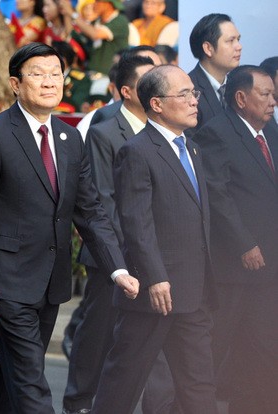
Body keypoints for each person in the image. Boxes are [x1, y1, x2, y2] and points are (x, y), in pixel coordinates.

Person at [0, 42, 138, 414]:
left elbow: (89, 210)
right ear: (15, 84)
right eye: (37, 74)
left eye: (55, 74)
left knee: (11, 374)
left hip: (51, 281)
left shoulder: (69, 137)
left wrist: (117, 267)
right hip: (6, 281)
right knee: (30, 382)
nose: (49, 82)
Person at [92, 65, 218, 414]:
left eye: (195, 93)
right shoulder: (138, 150)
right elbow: (136, 222)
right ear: (157, 104)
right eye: (185, 94)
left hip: (193, 291)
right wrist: (156, 275)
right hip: (154, 292)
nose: (195, 101)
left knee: (199, 383)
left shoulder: (192, 149)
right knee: (124, 381)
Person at [62, 54, 154, 414]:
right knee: (96, 333)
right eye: (148, 79)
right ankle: (79, 401)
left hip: (149, 255)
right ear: (126, 90)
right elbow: (101, 201)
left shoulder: (164, 129)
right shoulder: (104, 131)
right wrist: (124, 256)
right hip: (111, 256)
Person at [193, 65, 278, 413]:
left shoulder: (268, 130)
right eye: (266, 95)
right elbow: (217, 193)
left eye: (273, 94)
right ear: (241, 98)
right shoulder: (217, 132)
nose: (273, 101)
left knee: (260, 346)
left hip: (268, 265)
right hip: (233, 265)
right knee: (215, 345)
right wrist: (244, 242)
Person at [187, 13, 242, 135]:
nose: (239, 47)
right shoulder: (189, 90)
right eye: (230, 41)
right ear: (208, 48)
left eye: (238, 40)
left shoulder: (240, 85)